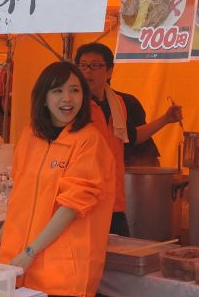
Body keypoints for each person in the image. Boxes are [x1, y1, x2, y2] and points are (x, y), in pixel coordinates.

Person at [0, 62, 115, 297]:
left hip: (62, 272)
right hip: (18, 264)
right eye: (57, 90)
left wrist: (30, 252)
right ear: (43, 98)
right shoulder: (30, 135)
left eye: (75, 90)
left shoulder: (89, 141)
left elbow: (71, 207)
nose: (67, 98)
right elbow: (19, 200)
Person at [74, 42, 182, 236]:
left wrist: (165, 120)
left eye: (95, 65)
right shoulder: (71, 105)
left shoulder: (119, 103)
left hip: (114, 200)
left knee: (122, 251)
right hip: (83, 200)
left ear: (109, 71)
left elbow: (130, 137)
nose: (88, 71)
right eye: (83, 65)